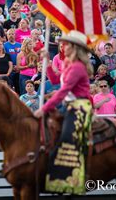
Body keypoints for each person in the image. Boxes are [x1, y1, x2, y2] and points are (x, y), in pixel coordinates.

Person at [33, 31, 93, 195]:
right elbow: (54, 81)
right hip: (69, 105)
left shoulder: (77, 67)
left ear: (73, 48)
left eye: (65, 44)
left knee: (68, 137)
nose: (62, 46)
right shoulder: (67, 63)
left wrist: (43, 108)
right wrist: (45, 61)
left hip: (80, 106)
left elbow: (63, 91)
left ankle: (71, 180)